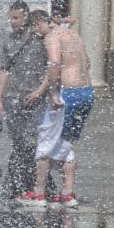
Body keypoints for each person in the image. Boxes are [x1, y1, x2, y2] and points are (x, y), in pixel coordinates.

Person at [18, 12, 93, 208]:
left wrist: (51, 94)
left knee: (45, 142)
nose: (35, 32)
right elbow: (88, 62)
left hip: (66, 94)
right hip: (86, 93)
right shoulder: (74, 35)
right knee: (65, 144)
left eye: (34, 28)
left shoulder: (52, 37)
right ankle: (67, 194)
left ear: (38, 23)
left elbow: (54, 65)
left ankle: (39, 194)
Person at [0, 1, 49, 198]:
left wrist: (43, 91)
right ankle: (18, 184)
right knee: (18, 142)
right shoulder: (8, 41)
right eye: (11, 17)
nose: (12, 21)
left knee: (33, 141)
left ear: (26, 17)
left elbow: (52, 66)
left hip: (34, 97)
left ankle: (35, 185)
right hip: (12, 97)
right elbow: (4, 70)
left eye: (16, 17)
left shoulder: (39, 38)